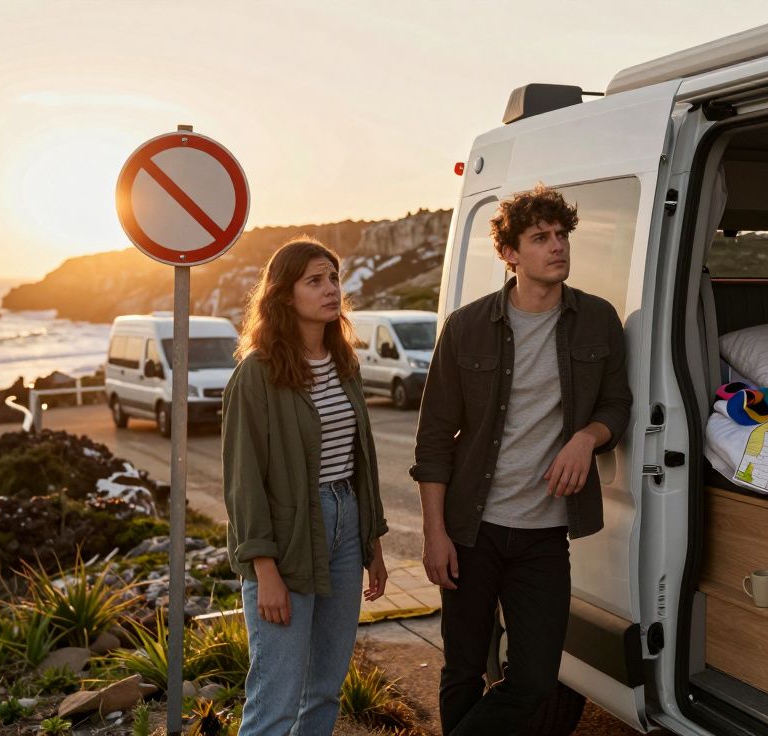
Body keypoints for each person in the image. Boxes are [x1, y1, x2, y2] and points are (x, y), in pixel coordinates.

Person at [411, 184, 633, 735]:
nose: (557, 246)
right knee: (463, 670)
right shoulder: (465, 328)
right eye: (540, 237)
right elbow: (434, 439)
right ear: (509, 254)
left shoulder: (597, 320)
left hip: (544, 536)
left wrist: (587, 437)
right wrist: (434, 533)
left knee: (534, 680)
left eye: (561, 235)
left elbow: (617, 403)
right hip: (471, 530)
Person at [222, 237, 389, 735]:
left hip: (345, 523)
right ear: (283, 294)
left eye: (334, 278)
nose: (330, 289)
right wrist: (264, 570)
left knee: (323, 692)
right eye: (314, 280)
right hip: (288, 537)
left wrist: (372, 544)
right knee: (275, 697)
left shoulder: (344, 364)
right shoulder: (256, 374)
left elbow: (363, 460)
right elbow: (242, 481)